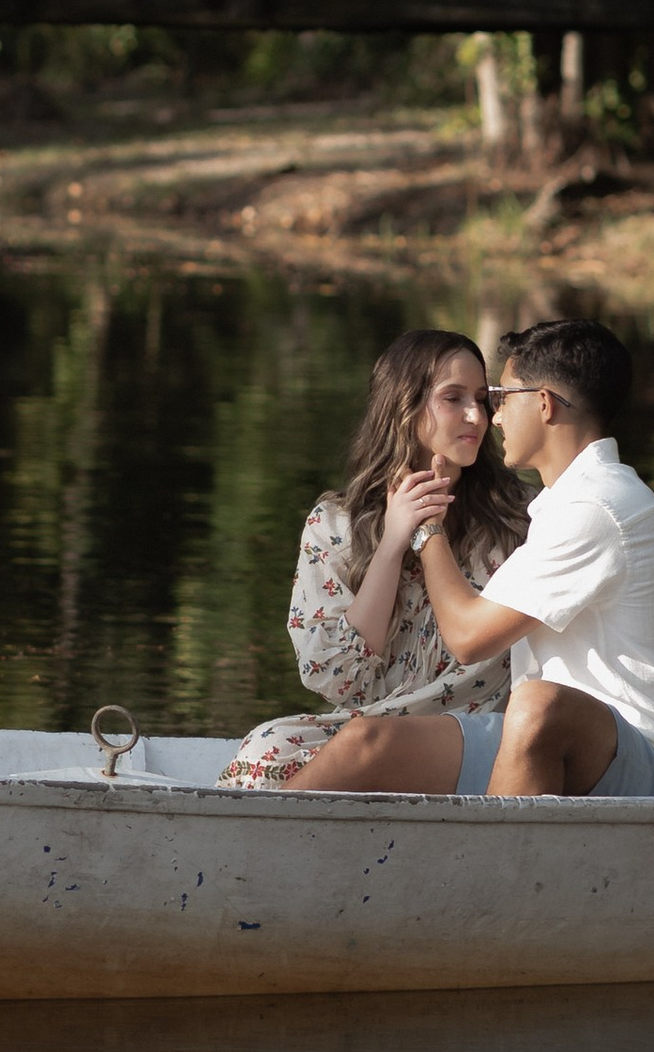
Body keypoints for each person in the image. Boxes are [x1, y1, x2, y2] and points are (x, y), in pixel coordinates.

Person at [273, 316, 654, 800]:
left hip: (638, 763)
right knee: (364, 743)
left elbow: (467, 636)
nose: (490, 417)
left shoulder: (595, 508)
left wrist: (427, 528)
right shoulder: (564, 504)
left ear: (543, 405)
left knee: (537, 705)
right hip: (545, 742)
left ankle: (487, 866)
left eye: (498, 398)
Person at [220, 330, 531, 792]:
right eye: (454, 398)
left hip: (481, 731)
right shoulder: (335, 524)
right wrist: (391, 543)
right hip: (373, 723)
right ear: (403, 406)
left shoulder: (519, 516)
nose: (477, 416)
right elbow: (340, 681)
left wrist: (432, 532)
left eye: (482, 399)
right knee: (266, 751)